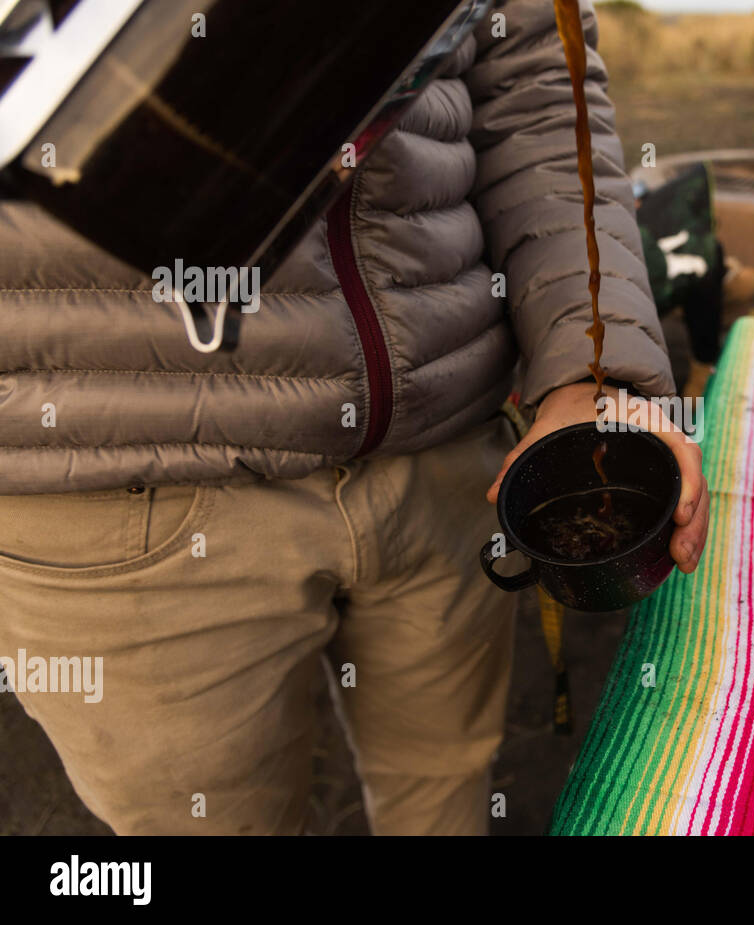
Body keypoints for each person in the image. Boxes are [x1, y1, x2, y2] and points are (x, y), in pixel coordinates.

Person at [0, 0, 708, 835]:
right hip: (112, 477)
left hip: (447, 449)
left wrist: (593, 362)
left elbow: (536, 79)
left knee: (446, 795)